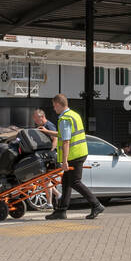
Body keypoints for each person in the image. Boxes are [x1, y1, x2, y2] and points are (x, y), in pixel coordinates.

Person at [45, 93, 103, 221]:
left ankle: (96, 205)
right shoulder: (74, 115)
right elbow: (62, 134)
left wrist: (64, 161)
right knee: (66, 182)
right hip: (80, 152)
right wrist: (47, 131)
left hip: (74, 155)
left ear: (59, 105)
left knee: (75, 182)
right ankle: (61, 211)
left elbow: (66, 140)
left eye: (54, 106)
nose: (54, 109)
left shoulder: (65, 119)